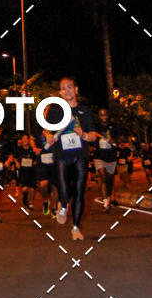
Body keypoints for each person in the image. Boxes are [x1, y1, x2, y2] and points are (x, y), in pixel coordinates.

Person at [48, 77, 96, 240]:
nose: (66, 90)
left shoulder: (84, 111)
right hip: (61, 155)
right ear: (60, 93)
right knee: (64, 189)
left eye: (69, 87)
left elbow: (93, 135)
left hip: (80, 155)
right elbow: (46, 130)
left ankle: (75, 227)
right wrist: (48, 136)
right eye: (63, 88)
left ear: (76, 90)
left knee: (79, 191)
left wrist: (84, 134)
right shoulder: (55, 111)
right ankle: (63, 204)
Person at [93, 108, 118, 211]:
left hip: (111, 156)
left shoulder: (114, 126)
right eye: (101, 115)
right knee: (103, 176)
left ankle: (108, 197)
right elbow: (92, 137)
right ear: (99, 116)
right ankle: (105, 204)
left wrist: (114, 141)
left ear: (108, 116)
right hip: (99, 155)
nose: (103, 117)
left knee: (109, 180)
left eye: (105, 115)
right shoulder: (96, 127)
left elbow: (120, 138)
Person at [35, 128, 57, 216]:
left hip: (54, 160)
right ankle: (45, 200)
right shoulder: (37, 130)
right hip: (42, 161)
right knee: (43, 185)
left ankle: (54, 208)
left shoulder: (56, 129)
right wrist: (35, 149)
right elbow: (32, 140)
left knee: (55, 185)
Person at [16, 133, 37, 210]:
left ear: (29, 140)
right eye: (23, 139)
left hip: (32, 171)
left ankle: (31, 203)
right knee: (24, 189)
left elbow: (37, 158)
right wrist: (17, 162)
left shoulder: (32, 149)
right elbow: (15, 158)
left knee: (32, 189)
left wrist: (35, 162)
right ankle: (25, 197)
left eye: (26, 139)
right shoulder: (19, 150)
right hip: (23, 172)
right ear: (21, 140)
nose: (25, 140)